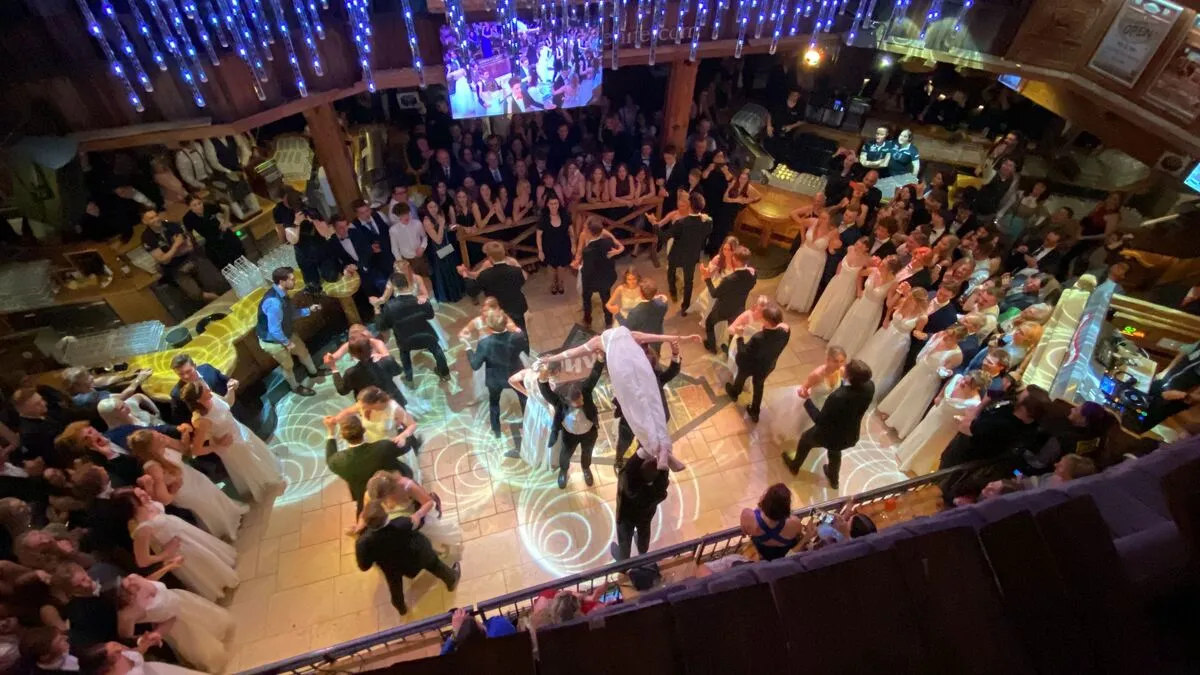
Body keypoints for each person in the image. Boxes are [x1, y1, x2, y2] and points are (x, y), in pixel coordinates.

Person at [118, 486, 238, 602]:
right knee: (200, 562)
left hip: (186, 533)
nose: (144, 494)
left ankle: (224, 571)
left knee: (206, 553)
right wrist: (165, 554)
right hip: (179, 546)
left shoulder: (148, 504)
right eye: (139, 496)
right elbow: (142, 561)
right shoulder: (141, 528)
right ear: (132, 505)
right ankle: (218, 584)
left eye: (141, 491)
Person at [128, 429, 247, 542]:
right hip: (184, 490)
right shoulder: (152, 466)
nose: (161, 435)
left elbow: (184, 449)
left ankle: (232, 517)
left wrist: (181, 436)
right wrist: (175, 490)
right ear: (151, 448)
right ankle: (224, 530)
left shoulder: (165, 445)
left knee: (214, 495)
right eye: (157, 438)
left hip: (192, 477)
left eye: (157, 433)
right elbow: (164, 499)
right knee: (207, 506)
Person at [180, 381, 282, 503]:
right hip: (232, 446)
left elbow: (227, 403)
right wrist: (217, 446)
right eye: (204, 390)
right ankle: (264, 487)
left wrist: (230, 390)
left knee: (257, 454)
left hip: (240, 430)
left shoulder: (212, 396)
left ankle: (269, 475)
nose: (208, 389)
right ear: (198, 400)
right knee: (249, 466)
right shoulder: (201, 420)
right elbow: (196, 450)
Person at [355, 500, 460, 616]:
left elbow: (364, 566)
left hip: (392, 567)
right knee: (435, 564)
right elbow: (416, 521)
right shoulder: (401, 523)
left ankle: (401, 607)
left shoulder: (363, 543)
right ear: (385, 513)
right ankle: (451, 579)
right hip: (418, 554)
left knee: (395, 586)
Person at [116, 569, 234, 672]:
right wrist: (149, 638)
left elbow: (149, 580)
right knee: (199, 642)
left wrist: (169, 566)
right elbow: (127, 640)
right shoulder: (127, 615)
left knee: (206, 619)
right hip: (175, 624)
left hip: (182, 600)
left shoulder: (132, 578)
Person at [783, 359, 875, 489]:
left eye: (846, 368)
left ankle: (794, 465)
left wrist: (807, 401)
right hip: (849, 434)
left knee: (805, 440)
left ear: (850, 376)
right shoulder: (870, 387)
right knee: (835, 450)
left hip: (828, 434)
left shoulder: (838, 397)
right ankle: (833, 478)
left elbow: (820, 420)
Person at [878, 325, 966, 438]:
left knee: (913, 398)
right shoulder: (939, 335)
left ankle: (898, 423)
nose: (946, 336)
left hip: (929, 378)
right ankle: (890, 412)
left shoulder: (957, 355)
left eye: (951, 336)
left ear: (958, 339)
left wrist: (946, 372)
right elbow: (926, 350)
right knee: (905, 389)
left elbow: (944, 372)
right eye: (947, 333)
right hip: (920, 368)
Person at [938, 385, 1051, 472]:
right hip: (962, 457)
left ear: (1025, 408)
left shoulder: (1003, 426)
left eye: (1020, 397)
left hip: (960, 462)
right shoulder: (1024, 421)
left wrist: (978, 408)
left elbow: (965, 427)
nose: (1016, 396)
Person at [897, 370, 989, 475]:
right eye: (964, 379)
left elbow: (969, 419)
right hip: (937, 413)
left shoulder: (974, 403)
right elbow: (947, 385)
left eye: (967, 383)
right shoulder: (957, 378)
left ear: (976, 388)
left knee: (931, 443)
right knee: (922, 433)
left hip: (947, 426)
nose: (962, 382)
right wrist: (940, 396)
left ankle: (916, 466)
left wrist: (961, 418)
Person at [255, 267, 327, 397]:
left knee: (303, 351)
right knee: (288, 365)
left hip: (285, 333)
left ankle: (314, 372)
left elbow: (290, 314)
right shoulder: (274, 302)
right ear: (282, 282)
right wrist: (287, 343)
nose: (295, 281)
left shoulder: (282, 294)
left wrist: (309, 310)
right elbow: (274, 330)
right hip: (273, 341)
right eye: (292, 279)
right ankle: (295, 387)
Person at [759, 345, 847, 449]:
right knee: (799, 425)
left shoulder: (841, 371)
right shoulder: (817, 374)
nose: (839, 365)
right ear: (828, 359)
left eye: (842, 361)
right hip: (811, 404)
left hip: (825, 405)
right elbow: (804, 387)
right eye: (836, 361)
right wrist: (803, 392)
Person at [323, 414, 412, 515]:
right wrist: (400, 427)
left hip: (366, 496)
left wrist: (331, 432)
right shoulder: (383, 447)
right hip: (392, 488)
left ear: (342, 436)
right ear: (364, 430)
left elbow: (330, 459)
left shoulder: (339, 461)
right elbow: (406, 446)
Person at [139, 209, 229, 303]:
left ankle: (224, 299)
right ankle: (219, 300)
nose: (156, 219)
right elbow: (164, 261)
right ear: (145, 222)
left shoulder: (172, 225)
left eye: (156, 216)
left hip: (191, 258)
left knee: (219, 283)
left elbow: (189, 247)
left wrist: (168, 255)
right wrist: (176, 245)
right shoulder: (147, 238)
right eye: (151, 218)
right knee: (195, 294)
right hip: (175, 268)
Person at [541, 356, 604, 489]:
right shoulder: (560, 402)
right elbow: (546, 392)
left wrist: (600, 360)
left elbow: (594, 376)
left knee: (587, 452)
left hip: (589, 432)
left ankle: (586, 468)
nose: (582, 403)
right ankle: (563, 471)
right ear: (568, 402)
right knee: (565, 454)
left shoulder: (585, 391)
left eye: (582, 400)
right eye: (578, 403)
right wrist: (542, 378)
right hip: (570, 434)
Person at [374, 274, 450, 383]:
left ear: (394, 287)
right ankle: (445, 373)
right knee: (436, 349)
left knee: (404, 354)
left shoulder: (390, 306)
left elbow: (383, 326)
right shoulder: (420, 300)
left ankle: (409, 378)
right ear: (407, 284)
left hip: (405, 340)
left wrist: (376, 309)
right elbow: (430, 316)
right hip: (426, 335)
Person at [725, 303, 791, 423]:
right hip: (767, 365)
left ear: (766, 321)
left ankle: (734, 393)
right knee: (759, 385)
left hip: (750, 364)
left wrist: (740, 337)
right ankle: (755, 411)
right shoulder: (785, 331)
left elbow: (743, 353)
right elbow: (782, 328)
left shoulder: (759, 338)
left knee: (741, 376)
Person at [468, 310, 530, 437]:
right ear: (505, 323)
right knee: (524, 397)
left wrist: (468, 350)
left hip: (495, 378)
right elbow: (524, 348)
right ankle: (528, 424)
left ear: (489, 327)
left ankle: (496, 430)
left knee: (494, 402)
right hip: (515, 374)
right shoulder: (517, 336)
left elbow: (475, 365)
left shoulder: (484, 344)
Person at [858, 286, 927, 400]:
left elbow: (917, 331)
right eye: (909, 297)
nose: (909, 300)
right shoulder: (903, 302)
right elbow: (890, 308)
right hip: (887, 331)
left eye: (912, 299)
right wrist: (886, 318)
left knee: (886, 362)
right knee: (875, 353)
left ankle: (871, 386)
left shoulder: (922, 317)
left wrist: (920, 335)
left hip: (900, 340)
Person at [652, 190, 712, 316]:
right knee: (689, 281)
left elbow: (663, 237)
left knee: (671, 272)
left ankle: (673, 292)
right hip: (692, 256)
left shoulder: (681, 223)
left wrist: (654, 225)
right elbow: (706, 232)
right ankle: (685, 307)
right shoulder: (707, 221)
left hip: (677, 255)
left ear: (690, 206)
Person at [830, 255, 901, 358]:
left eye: (884, 265)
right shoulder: (873, 270)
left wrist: (898, 295)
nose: (880, 265)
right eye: (882, 262)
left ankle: (850, 354)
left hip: (873, 310)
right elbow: (859, 274)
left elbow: (889, 304)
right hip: (861, 303)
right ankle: (838, 348)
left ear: (891, 270)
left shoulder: (893, 283)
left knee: (861, 331)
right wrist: (859, 290)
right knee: (850, 324)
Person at [809, 237, 871, 340]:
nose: (858, 246)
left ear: (866, 249)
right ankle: (818, 324)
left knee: (836, 307)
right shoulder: (850, 249)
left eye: (862, 246)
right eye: (858, 243)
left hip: (848, 287)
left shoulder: (867, 260)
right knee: (828, 302)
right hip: (838, 281)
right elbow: (841, 261)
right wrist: (838, 270)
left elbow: (861, 276)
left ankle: (827, 330)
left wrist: (859, 290)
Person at [610, 453, 669, 561]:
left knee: (624, 538)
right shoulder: (660, 487)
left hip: (626, 517)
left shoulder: (631, 486)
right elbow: (664, 472)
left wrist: (642, 451)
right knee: (644, 531)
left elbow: (629, 468)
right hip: (646, 515)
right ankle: (642, 550)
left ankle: (623, 558)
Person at [459, 241, 529, 333]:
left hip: (497, 310)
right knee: (520, 331)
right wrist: (467, 273)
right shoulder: (516, 270)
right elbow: (523, 279)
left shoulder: (485, 275)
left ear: (490, 257)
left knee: (501, 333)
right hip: (516, 306)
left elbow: (472, 291)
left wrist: (464, 274)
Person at [777, 211, 836, 313]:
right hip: (803, 253)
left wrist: (834, 248)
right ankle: (786, 297)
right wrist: (803, 239)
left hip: (817, 260)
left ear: (830, 220)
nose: (821, 220)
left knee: (807, 281)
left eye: (824, 219)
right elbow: (802, 224)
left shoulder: (833, 232)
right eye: (821, 217)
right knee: (795, 275)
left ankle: (798, 303)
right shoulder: (812, 221)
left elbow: (831, 249)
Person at [701, 246, 757, 353]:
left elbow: (714, 294)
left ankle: (712, 347)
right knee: (734, 331)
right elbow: (751, 286)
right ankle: (730, 351)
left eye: (733, 257)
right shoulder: (753, 274)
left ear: (736, 260)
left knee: (709, 323)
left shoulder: (730, 279)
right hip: (739, 308)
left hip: (723, 309)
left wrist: (707, 278)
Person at [574, 218, 625, 327]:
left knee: (587, 299)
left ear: (589, 230)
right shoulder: (608, 242)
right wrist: (577, 259)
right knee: (606, 298)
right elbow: (579, 251)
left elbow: (587, 269)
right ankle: (608, 321)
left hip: (592, 279)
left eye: (585, 227)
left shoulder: (588, 251)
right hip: (606, 276)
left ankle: (588, 320)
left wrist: (579, 267)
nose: (583, 228)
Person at [329, 337, 407, 405]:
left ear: (352, 354)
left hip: (371, 408)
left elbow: (342, 391)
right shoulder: (388, 360)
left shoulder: (350, 373)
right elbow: (397, 371)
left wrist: (333, 368)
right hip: (395, 402)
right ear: (371, 349)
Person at [740, 484, 806, 560]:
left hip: (762, 551)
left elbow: (744, 532)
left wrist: (760, 505)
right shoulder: (795, 522)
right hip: (784, 553)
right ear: (786, 507)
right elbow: (798, 534)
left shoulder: (747, 516)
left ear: (765, 500)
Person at [181, 194, 243, 270]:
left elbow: (226, 208)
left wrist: (226, 222)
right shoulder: (188, 218)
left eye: (199, 203)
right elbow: (190, 233)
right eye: (194, 205)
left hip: (223, 233)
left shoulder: (208, 207)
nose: (199, 207)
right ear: (189, 207)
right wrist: (195, 244)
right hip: (212, 241)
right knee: (225, 266)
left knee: (240, 258)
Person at [422, 201, 466, 303]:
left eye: (435, 206)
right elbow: (438, 240)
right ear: (427, 209)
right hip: (439, 250)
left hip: (447, 246)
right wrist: (442, 224)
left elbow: (445, 229)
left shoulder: (439, 215)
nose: (433, 209)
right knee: (445, 272)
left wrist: (451, 227)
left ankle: (457, 292)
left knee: (452, 269)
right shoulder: (427, 221)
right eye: (430, 207)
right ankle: (449, 296)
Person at [537, 194, 574, 296]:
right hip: (548, 248)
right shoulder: (544, 218)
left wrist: (573, 245)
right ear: (547, 205)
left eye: (555, 203)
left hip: (563, 246)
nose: (554, 206)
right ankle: (553, 284)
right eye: (551, 204)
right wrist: (540, 251)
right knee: (551, 269)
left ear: (559, 204)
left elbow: (571, 233)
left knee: (562, 268)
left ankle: (560, 283)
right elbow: (539, 236)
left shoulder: (565, 215)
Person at [386, 201, 429, 279]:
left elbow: (424, 237)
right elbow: (395, 249)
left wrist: (422, 247)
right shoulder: (393, 230)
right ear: (397, 216)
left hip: (420, 257)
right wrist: (402, 263)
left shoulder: (417, 224)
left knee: (426, 278)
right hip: (407, 260)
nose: (406, 217)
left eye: (407, 213)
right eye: (402, 215)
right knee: (413, 282)